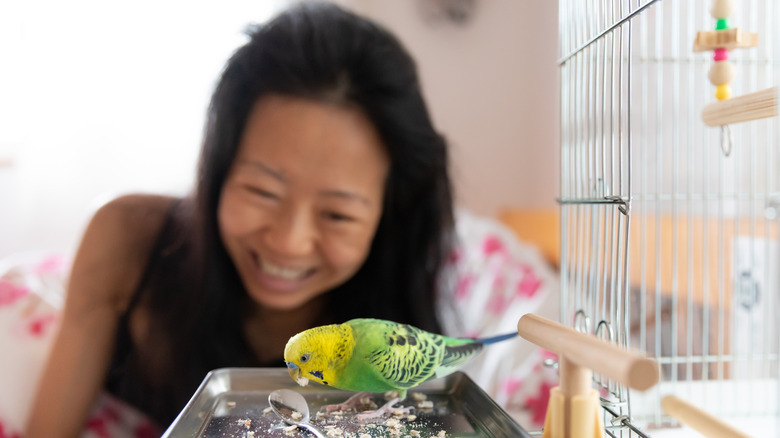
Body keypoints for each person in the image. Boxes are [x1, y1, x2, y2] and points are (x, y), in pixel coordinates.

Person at [25, 2, 456, 436]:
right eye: (262, 192)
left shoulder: (394, 330)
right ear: (218, 170)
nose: (289, 242)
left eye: (337, 214)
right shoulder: (125, 239)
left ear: (388, 212)